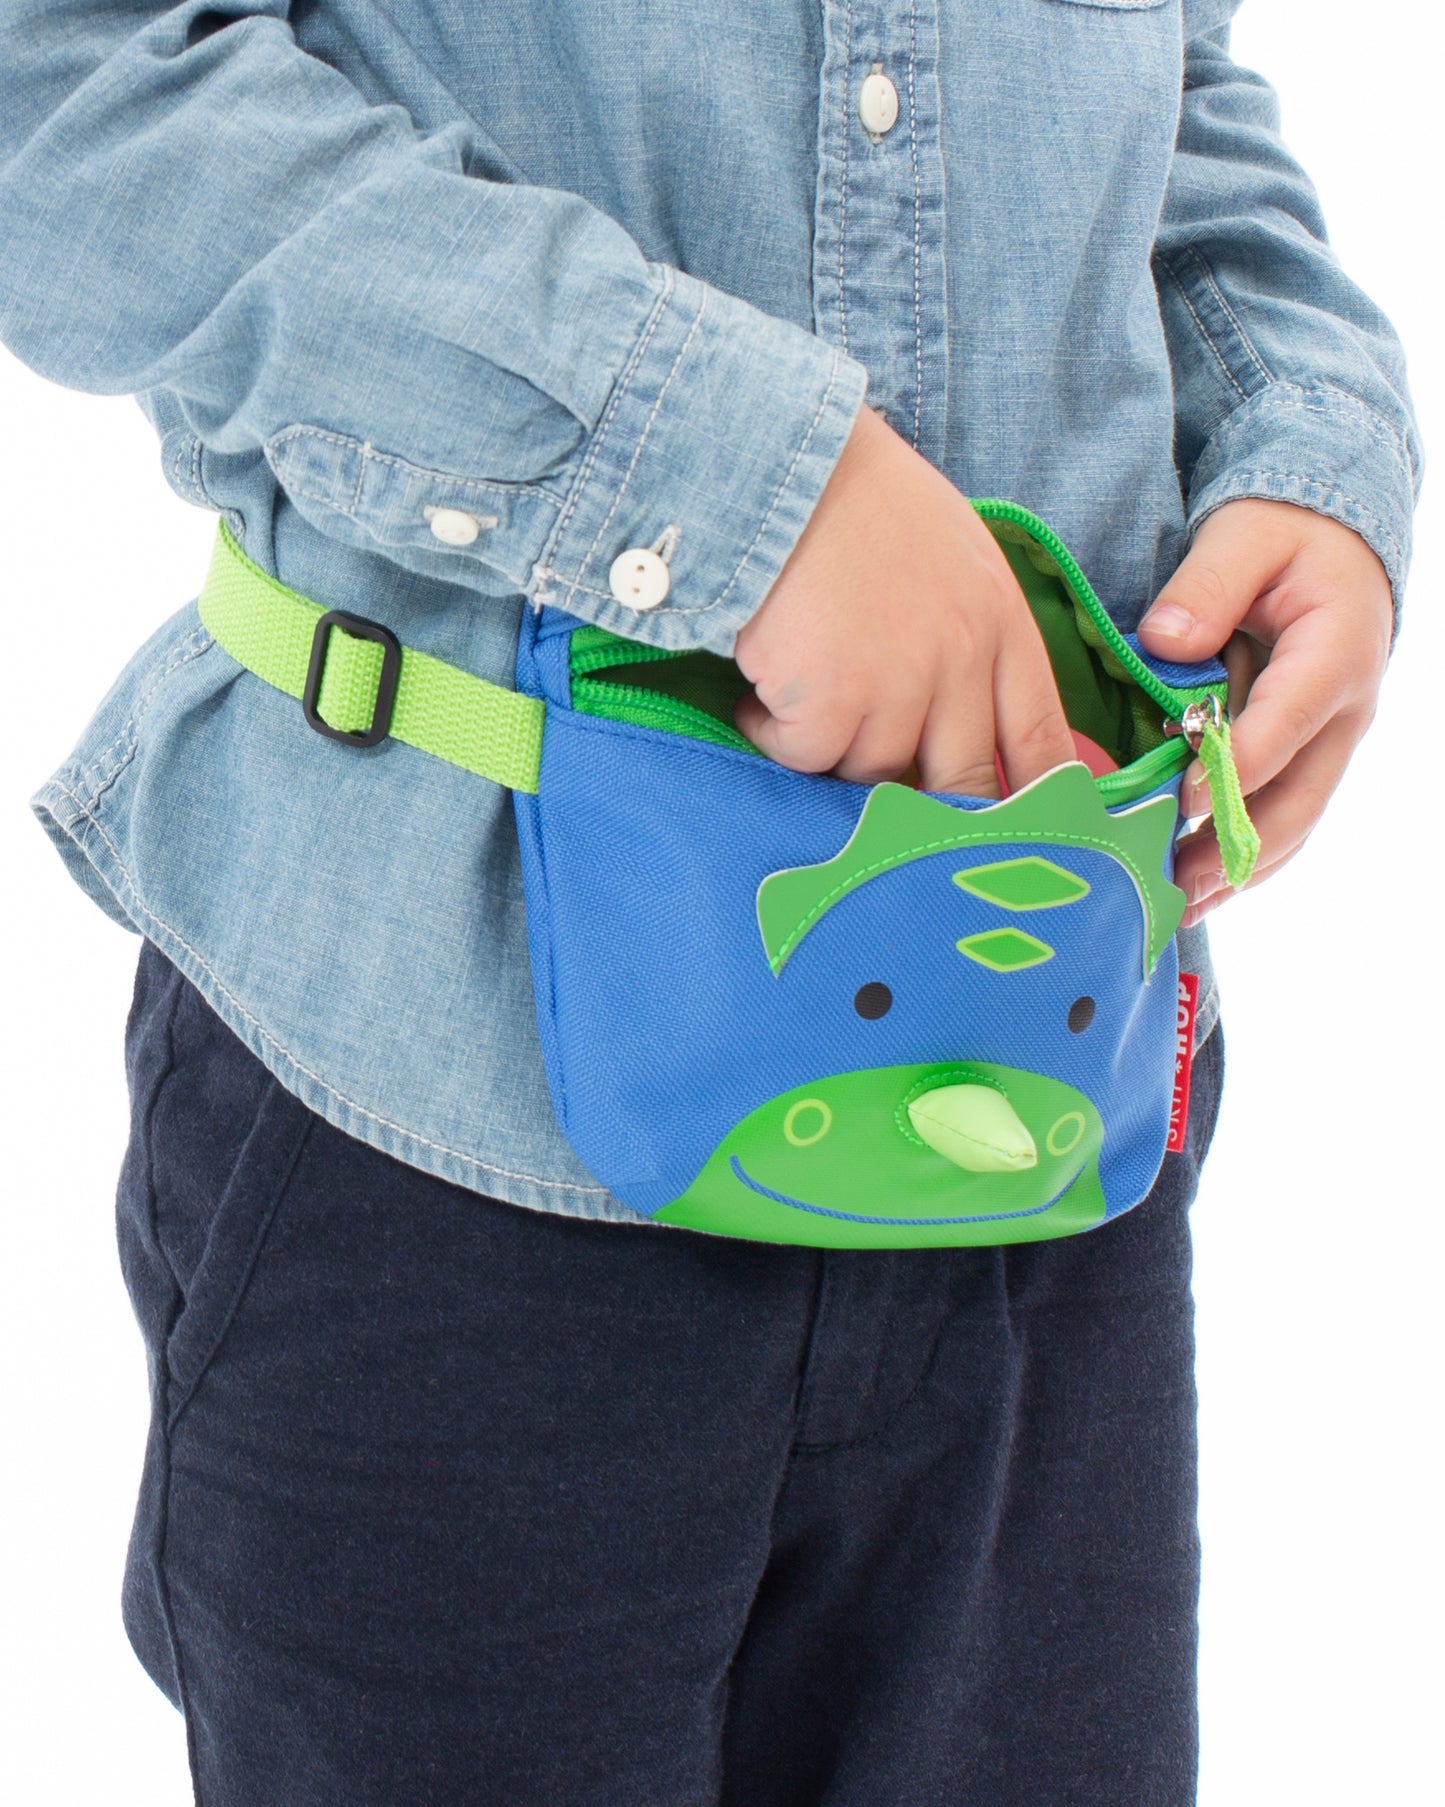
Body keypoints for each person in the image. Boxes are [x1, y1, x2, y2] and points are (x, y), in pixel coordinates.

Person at [0, 2, 1421, 1802]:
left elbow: (1178, 99)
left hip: (1048, 1122)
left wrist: (1308, 442)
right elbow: (59, 81)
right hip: (437, 1119)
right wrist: (744, 485)